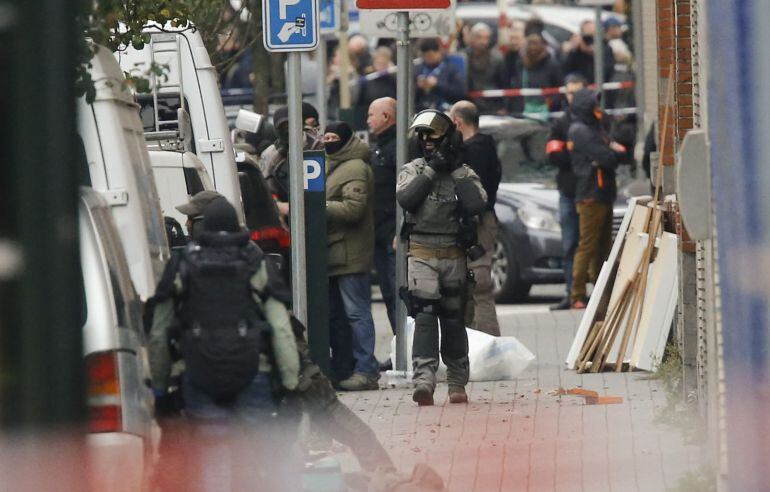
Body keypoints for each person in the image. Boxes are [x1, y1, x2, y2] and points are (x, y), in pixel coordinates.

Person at [148, 198, 300, 491]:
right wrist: (290, 383)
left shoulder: (182, 265)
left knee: (213, 462)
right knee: (271, 463)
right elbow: (282, 329)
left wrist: (159, 386)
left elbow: (159, 332)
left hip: (199, 376)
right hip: (254, 373)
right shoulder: (257, 263)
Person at [396, 110, 487, 406]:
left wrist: (455, 168)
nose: (427, 142)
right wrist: (433, 170)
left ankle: (457, 382)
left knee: (452, 318)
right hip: (421, 251)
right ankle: (424, 379)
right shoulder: (414, 170)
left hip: (453, 253)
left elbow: (475, 204)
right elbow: (407, 199)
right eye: (422, 136)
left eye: (433, 136)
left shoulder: (464, 172)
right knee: (424, 315)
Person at [323, 121, 380, 390]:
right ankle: (346, 367)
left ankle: (366, 370)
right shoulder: (331, 162)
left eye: (334, 137)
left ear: (345, 140)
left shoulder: (355, 167)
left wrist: (314, 205)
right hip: (335, 253)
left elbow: (353, 209)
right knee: (340, 315)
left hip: (351, 254)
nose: (328, 140)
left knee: (357, 314)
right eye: (326, 136)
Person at [568, 88, 625, 309]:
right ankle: (577, 294)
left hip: (603, 192)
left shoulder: (595, 127)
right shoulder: (581, 130)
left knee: (602, 246)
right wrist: (608, 155)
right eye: (595, 104)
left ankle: (599, 289)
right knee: (588, 245)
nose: (599, 109)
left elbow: (615, 153)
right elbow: (606, 155)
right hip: (590, 194)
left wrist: (610, 155)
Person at [449, 100, 502, 336]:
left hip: (478, 224)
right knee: (470, 287)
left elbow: (474, 194)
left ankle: (488, 343)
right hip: (483, 221)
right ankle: (474, 344)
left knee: (479, 284)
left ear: (457, 122)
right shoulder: (487, 147)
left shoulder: (473, 152)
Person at [545, 75, 586, 311]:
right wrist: (579, 155)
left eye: (576, 93)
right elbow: (553, 154)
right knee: (570, 244)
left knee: (592, 246)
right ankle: (571, 293)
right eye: (569, 93)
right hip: (569, 192)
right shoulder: (561, 124)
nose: (572, 97)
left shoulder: (596, 119)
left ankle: (590, 292)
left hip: (592, 192)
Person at [366, 97, 398, 341]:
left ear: (386, 117)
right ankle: (401, 347)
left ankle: (407, 351)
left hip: (392, 234)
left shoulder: (398, 148)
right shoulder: (379, 147)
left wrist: (401, 229)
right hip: (378, 232)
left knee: (398, 295)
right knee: (388, 295)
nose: (368, 120)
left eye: (371, 115)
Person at [260, 104, 323, 219]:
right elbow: (265, 190)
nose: (288, 130)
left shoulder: (318, 146)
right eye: (283, 127)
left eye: (291, 124)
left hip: (320, 212)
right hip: (288, 217)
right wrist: (278, 205)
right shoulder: (270, 155)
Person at [508, 32, 564, 117]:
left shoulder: (551, 64)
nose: (533, 48)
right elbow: (514, 86)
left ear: (542, 45)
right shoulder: (520, 64)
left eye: (536, 44)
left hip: (545, 113)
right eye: (530, 44)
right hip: (522, 112)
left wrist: (550, 102)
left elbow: (559, 89)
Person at [464, 22, 507, 114]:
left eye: (486, 38)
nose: (483, 41)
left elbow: (503, 83)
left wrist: (503, 106)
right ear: (471, 37)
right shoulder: (463, 57)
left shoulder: (497, 58)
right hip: (469, 106)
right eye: (479, 37)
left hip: (492, 106)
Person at [415, 38, 466, 112]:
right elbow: (411, 97)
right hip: (423, 108)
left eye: (430, 56)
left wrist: (437, 85)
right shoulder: (419, 69)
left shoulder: (451, 68)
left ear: (439, 52)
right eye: (425, 56)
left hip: (446, 108)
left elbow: (459, 93)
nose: (428, 59)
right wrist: (419, 87)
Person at [563, 20, 615, 85]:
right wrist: (572, 49)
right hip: (581, 86)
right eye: (586, 36)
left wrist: (591, 52)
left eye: (592, 36)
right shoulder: (577, 50)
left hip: (599, 87)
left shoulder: (605, 47)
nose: (589, 40)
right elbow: (566, 70)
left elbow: (607, 71)